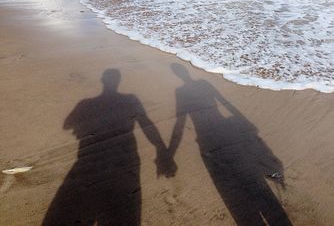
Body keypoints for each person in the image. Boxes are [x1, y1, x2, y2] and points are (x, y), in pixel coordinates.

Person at [43, 69, 174, 226]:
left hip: (92, 161)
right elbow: (146, 124)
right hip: (125, 160)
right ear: (117, 82)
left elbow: (67, 125)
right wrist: (160, 148)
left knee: (82, 206)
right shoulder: (130, 100)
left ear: (103, 81)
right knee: (122, 211)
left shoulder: (86, 104)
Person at [168, 63, 292, 226]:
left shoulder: (181, 92)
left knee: (230, 189)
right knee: (252, 180)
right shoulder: (203, 84)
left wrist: (169, 153)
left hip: (207, 139)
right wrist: (247, 124)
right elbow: (226, 104)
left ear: (177, 74)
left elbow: (180, 122)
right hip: (222, 132)